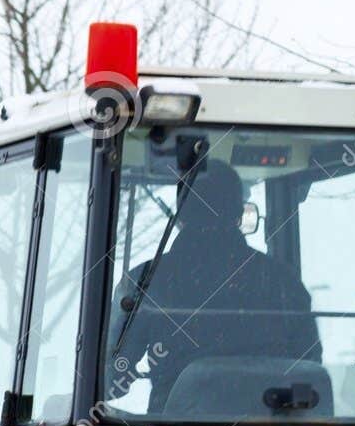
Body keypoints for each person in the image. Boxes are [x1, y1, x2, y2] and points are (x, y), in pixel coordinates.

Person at [110, 159, 322, 412]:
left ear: (180, 215)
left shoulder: (146, 281)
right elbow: (309, 369)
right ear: (239, 212)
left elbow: (113, 379)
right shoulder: (282, 281)